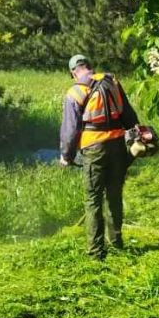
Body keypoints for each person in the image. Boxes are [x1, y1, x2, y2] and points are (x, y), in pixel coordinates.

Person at [59, 54, 140, 259]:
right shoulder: (111, 81)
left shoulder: (75, 92)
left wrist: (66, 157)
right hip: (117, 144)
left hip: (93, 148)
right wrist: (135, 136)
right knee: (114, 194)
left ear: (73, 72)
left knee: (93, 199)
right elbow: (128, 114)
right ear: (90, 66)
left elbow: (70, 131)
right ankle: (116, 242)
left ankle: (96, 251)